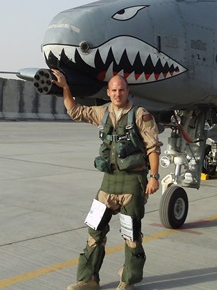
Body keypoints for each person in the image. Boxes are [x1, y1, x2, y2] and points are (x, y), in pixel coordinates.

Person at [51, 69, 162, 290]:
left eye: (121, 90)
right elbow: (75, 111)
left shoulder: (140, 115)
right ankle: (88, 279)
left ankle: (128, 280)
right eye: (113, 90)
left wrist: (154, 176)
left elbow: (153, 147)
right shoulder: (102, 112)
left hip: (132, 184)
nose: (117, 94)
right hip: (108, 183)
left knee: (131, 235)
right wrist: (65, 87)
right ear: (108, 92)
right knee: (95, 231)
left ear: (127, 91)